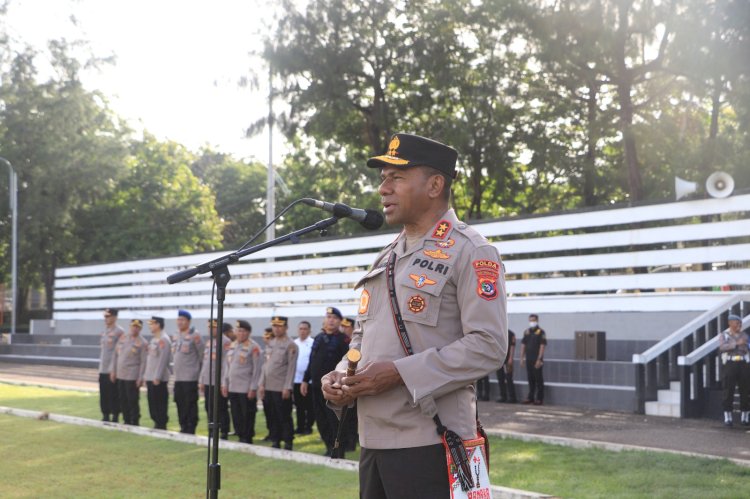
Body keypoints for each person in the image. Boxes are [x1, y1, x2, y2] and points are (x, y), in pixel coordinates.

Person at [321, 133, 507, 498]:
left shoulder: (471, 251)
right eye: (382, 179)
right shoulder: (385, 258)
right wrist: (342, 375)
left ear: (435, 184)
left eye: (397, 178)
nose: (383, 189)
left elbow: (489, 346)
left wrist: (398, 374)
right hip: (374, 440)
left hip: (432, 442)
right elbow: (362, 338)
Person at [301, 307, 350, 456]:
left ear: (340, 321)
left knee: (334, 419)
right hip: (316, 386)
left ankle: (338, 449)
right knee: (321, 419)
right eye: (328, 317)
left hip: (333, 387)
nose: (331, 320)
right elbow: (312, 361)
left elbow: (347, 364)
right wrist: (305, 380)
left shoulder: (343, 340)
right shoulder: (319, 337)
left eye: (334, 317)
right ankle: (329, 446)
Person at [258, 316, 298, 450]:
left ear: (286, 328)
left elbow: (291, 368)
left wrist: (287, 387)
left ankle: (288, 441)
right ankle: (275, 439)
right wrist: (261, 384)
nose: (276, 328)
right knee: (271, 415)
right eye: (274, 326)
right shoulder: (271, 343)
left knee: (284, 416)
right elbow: (265, 366)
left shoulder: (290, 345)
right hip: (268, 386)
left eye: (279, 326)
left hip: (281, 387)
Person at [222, 320, 262, 443]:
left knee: (247, 414)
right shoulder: (232, 345)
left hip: (246, 388)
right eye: (238, 330)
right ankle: (240, 435)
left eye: (243, 331)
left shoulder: (254, 347)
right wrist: (224, 383)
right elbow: (226, 366)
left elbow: (257, 369)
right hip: (233, 387)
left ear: (248, 332)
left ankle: (247, 437)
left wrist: (253, 387)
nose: (241, 333)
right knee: (236, 414)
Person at [109, 319, 148, 426]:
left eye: (137, 327)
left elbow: (143, 362)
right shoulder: (123, 338)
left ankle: (134, 421)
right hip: (121, 374)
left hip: (132, 375)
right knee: (122, 399)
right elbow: (115, 355)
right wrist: (113, 370)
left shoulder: (143, 343)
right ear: (130, 327)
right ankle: (126, 420)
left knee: (132, 400)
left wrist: (140, 377)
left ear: (140, 329)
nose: (134, 328)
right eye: (133, 326)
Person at [172, 309, 204, 434]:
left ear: (188, 321)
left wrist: (199, 375)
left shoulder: (195, 335)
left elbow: (201, 355)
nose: (180, 322)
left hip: (190, 377)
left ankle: (191, 427)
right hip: (178, 377)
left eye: (182, 320)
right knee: (179, 402)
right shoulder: (176, 335)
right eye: (178, 320)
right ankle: (183, 425)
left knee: (190, 403)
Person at [199, 320, 232, 439]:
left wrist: (224, 382)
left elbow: (226, 363)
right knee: (209, 406)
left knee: (221, 407)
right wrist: (202, 379)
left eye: (213, 327)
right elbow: (205, 362)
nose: (211, 330)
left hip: (218, 381)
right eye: (209, 327)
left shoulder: (226, 342)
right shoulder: (209, 342)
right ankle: (212, 429)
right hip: (208, 379)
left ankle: (224, 430)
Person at [719, 314, 749, 427]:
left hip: (743, 363)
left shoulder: (744, 335)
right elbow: (722, 347)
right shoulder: (725, 335)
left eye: (740, 323)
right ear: (730, 323)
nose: (739, 326)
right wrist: (736, 344)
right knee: (728, 389)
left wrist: (739, 345)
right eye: (737, 323)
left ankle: (745, 416)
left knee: (745, 389)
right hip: (730, 363)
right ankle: (728, 417)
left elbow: (745, 348)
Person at [143, 316, 171, 429]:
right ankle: (156, 422)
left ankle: (161, 424)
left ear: (158, 324)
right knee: (152, 403)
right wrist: (146, 376)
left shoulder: (163, 339)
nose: (150, 326)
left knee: (160, 402)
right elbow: (150, 360)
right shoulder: (154, 339)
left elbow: (163, 360)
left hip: (158, 378)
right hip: (151, 376)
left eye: (152, 324)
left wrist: (157, 376)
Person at [98, 308, 124, 422]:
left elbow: (119, 352)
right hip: (103, 367)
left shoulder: (120, 332)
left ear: (114, 317)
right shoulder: (104, 331)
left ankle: (115, 415)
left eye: (108, 316)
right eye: (105, 316)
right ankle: (105, 414)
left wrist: (114, 370)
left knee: (113, 393)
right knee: (103, 393)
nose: (106, 319)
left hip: (113, 369)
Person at [293, 320, 315, 435]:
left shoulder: (313, 343)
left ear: (309, 330)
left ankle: (308, 426)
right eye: (300, 329)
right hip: (296, 379)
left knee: (309, 405)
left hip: (308, 380)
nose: (302, 331)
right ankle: (300, 426)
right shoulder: (294, 343)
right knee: (299, 405)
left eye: (305, 329)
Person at [521, 314, 547, 405]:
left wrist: (539, 359)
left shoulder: (541, 332)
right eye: (530, 320)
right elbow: (523, 345)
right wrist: (522, 358)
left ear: (537, 321)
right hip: (529, 359)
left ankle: (539, 399)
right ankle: (530, 397)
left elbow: (542, 346)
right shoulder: (526, 332)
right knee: (530, 378)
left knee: (538, 379)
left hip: (537, 360)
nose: (532, 322)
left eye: (533, 320)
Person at [496, 329, 518, 403]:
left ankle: (512, 397)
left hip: (508, 359)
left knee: (509, 378)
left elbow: (512, 346)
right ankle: (503, 396)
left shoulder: (511, 333)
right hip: (500, 359)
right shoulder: (498, 333)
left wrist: (511, 358)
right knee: (500, 378)